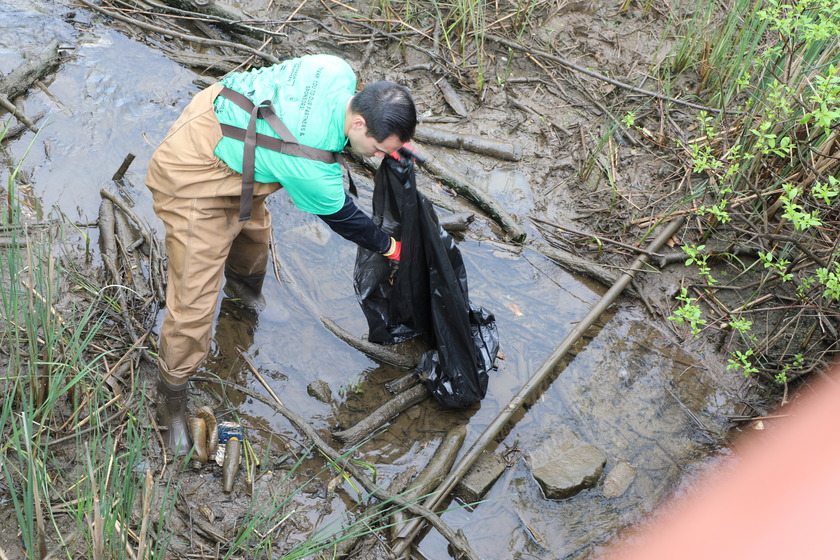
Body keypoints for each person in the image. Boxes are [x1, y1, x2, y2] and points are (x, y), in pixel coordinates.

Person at [145, 54, 417, 455]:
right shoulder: (311, 164)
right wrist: (392, 248)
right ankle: (169, 397)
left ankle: (245, 295)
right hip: (194, 171)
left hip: (234, 129)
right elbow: (346, 219)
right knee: (194, 300)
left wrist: (397, 149)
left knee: (254, 233)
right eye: (377, 149)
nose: (378, 157)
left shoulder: (336, 69)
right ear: (358, 123)